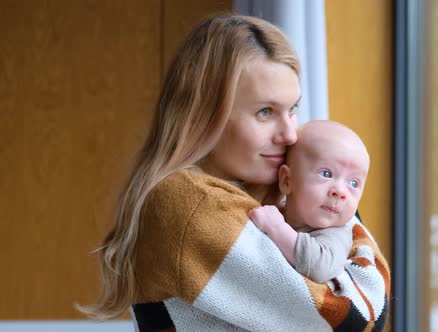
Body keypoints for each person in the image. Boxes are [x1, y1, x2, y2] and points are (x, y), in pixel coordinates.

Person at [79, 14, 390, 331]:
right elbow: (357, 318)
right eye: (265, 112)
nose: (290, 134)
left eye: (292, 109)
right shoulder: (191, 205)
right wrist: (342, 218)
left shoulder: (260, 192)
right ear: (203, 115)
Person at [248, 120, 369, 283]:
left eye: (353, 183)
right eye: (326, 174)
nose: (340, 192)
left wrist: (276, 228)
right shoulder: (279, 213)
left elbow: (320, 268)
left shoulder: (337, 233)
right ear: (287, 180)